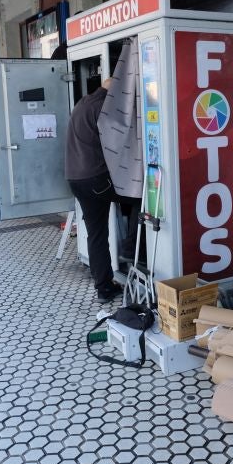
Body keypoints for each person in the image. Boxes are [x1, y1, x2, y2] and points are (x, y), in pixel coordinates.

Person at [65, 77, 140, 303]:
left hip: (76, 179)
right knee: (139, 196)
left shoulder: (83, 103)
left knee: (96, 233)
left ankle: (104, 288)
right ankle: (130, 247)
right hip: (96, 179)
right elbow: (120, 143)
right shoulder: (104, 107)